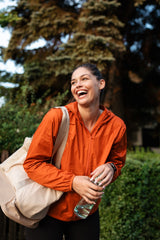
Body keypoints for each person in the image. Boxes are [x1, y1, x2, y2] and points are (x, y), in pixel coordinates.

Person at [24, 63, 127, 240]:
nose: (77, 85)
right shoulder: (56, 117)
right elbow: (32, 164)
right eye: (73, 82)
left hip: (86, 211)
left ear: (100, 84)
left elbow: (117, 162)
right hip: (47, 210)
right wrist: (72, 182)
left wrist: (111, 168)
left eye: (84, 79)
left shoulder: (117, 126)